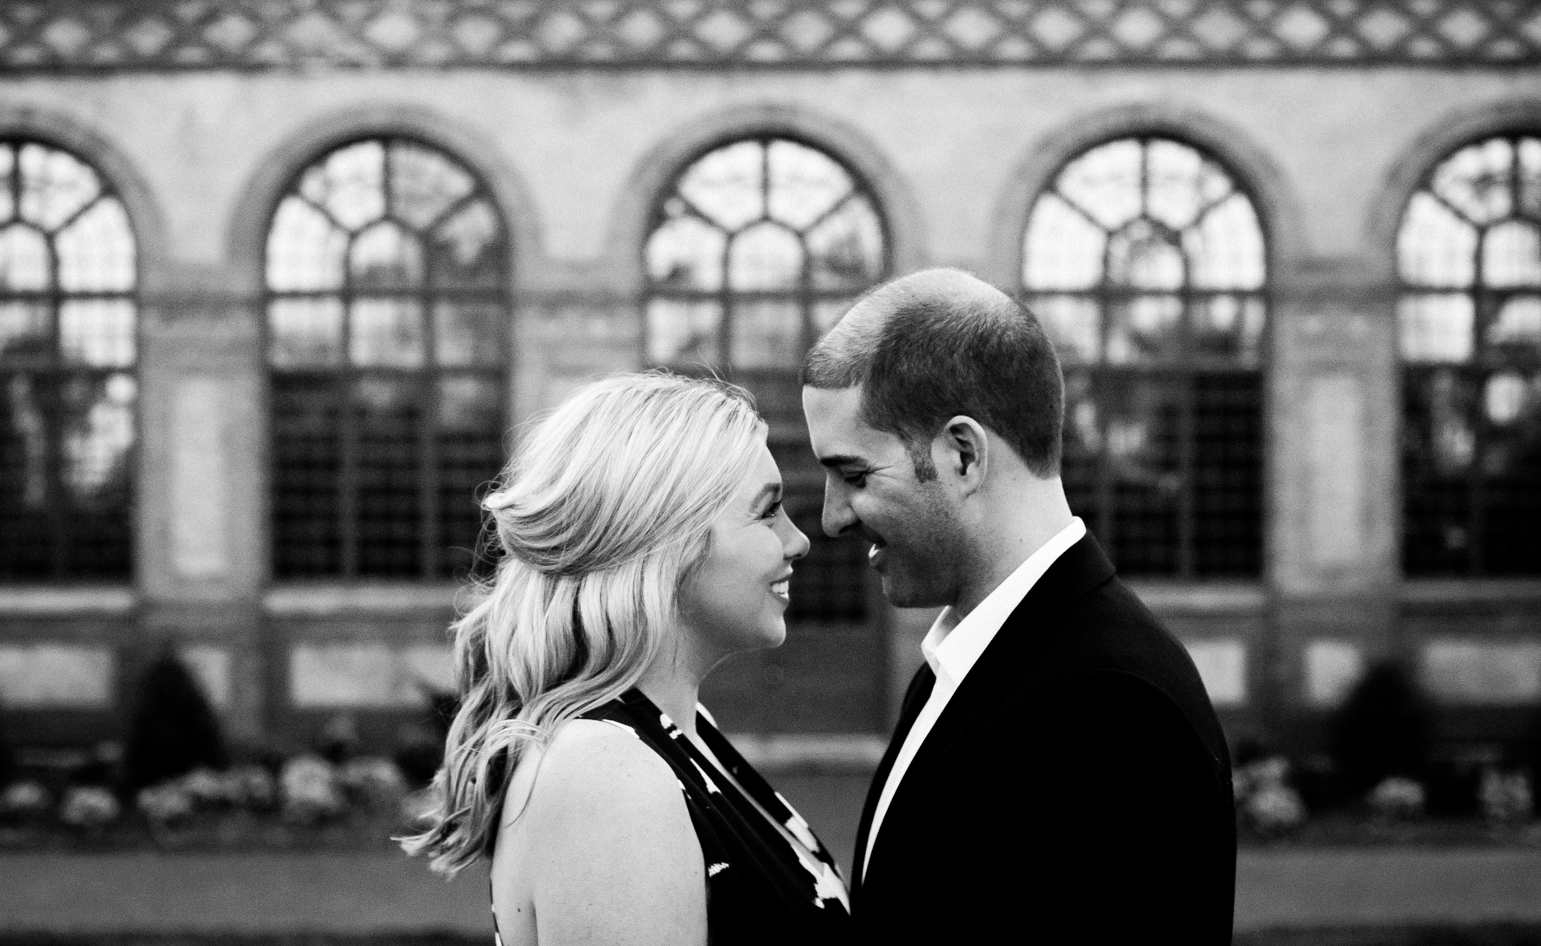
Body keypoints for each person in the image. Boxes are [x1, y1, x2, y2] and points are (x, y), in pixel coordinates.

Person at [801, 268, 1237, 945]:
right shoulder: (966, 661)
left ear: (964, 455)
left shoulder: (1110, 706)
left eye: (854, 475)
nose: (831, 519)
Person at [403, 371, 852, 946]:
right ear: (665, 538)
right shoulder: (607, 775)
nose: (799, 540)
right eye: (767, 512)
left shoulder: (678, 737)